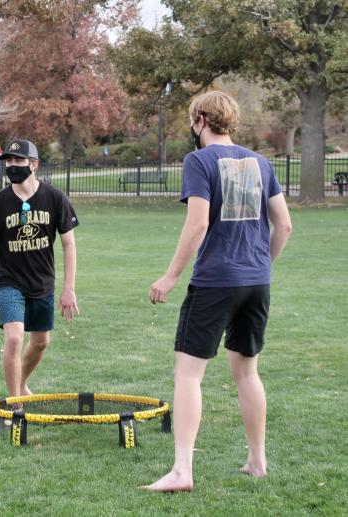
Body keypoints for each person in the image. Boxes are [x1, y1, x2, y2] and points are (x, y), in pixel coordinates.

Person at [144, 91, 293, 492]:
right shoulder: (262, 163)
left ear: (200, 121)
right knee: (247, 371)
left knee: (188, 373)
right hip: (256, 282)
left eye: (194, 121)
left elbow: (197, 225)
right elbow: (285, 225)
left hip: (214, 283)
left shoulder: (198, 160)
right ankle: (257, 462)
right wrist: (261, 265)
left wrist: (171, 276)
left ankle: (182, 472)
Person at [0, 138, 79, 400]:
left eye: (19, 160)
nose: (13, 166)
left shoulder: (55, 198)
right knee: (15, 339)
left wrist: (68, 289)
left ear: (34, 164)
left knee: (40, 342)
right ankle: (15, 405)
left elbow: (69, 245)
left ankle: (21, 383)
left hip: (42, 282)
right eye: (9, 161)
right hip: (9, 281)